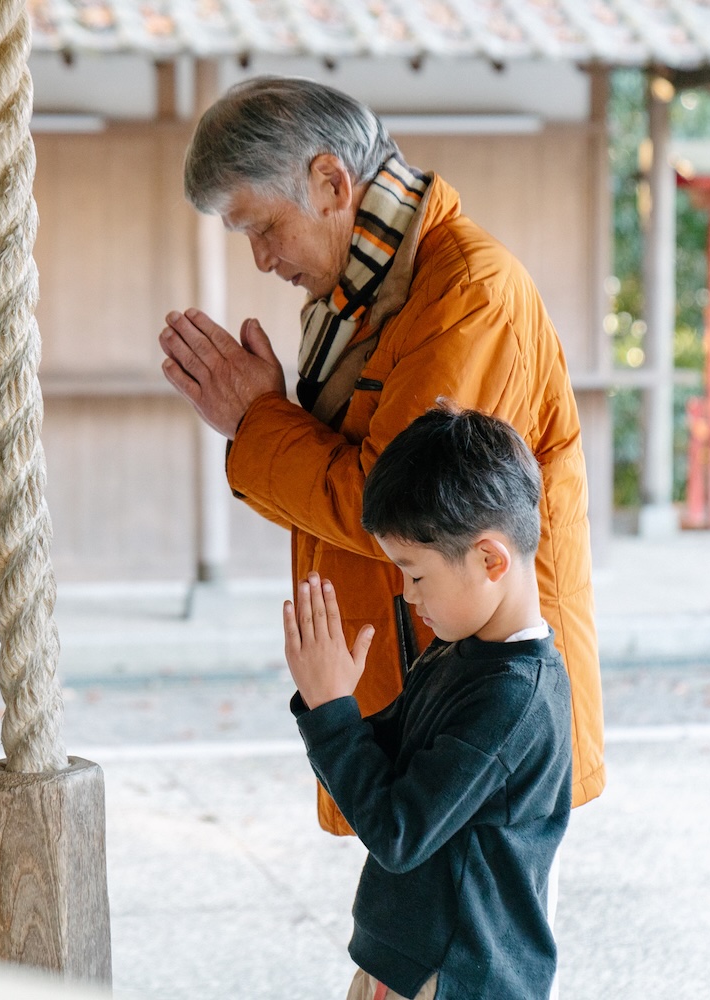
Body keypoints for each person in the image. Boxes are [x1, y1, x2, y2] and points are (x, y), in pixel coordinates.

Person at [158, 76, 603, 838]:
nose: (262, 259)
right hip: (424, 678)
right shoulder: (359, 297)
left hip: (487, 705)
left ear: (332, 182)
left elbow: (398, 511)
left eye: (262, 227)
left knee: (460, 952)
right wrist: (260, 421)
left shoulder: (467, 293)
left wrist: (257, 421)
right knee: (401, 942)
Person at [283, 406, 570, 1000]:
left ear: (491, 560)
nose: (409, 597)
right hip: (411, 962)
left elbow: (398, 831)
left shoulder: (514, 699)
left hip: (454, 976)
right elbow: (390, 768)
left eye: (415, 576)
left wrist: (334, 710)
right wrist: (330, 700)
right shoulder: (461, 649)